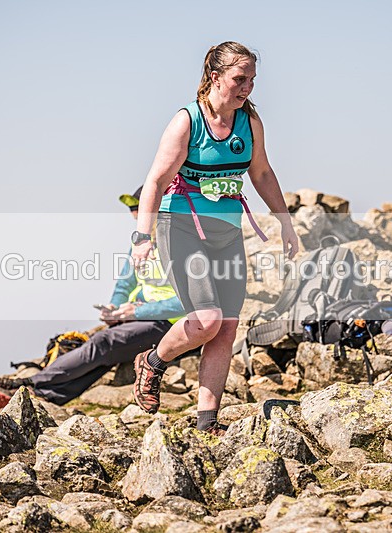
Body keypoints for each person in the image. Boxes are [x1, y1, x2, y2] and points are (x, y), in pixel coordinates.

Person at [129, 41, 299, 434]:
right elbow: (155, 180)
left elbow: (261, 174)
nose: (247, 88)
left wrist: (285, 222)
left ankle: (207, 422)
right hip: (181, 227)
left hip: (226, 233)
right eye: (240, 79)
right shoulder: (187, 122)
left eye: (252, 80)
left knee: (226, 326)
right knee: (206, 319)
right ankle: (153, 362)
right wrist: (142, 235)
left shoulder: (250, 123)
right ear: (214, 76)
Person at [0, 186, 185, 407]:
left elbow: (188, 302)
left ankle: (23, 383)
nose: (136, 221)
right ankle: (45, 397)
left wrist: (137, 311)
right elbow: (125, 284)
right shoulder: (141, 245)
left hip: (172, 324)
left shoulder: (181, 245)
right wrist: (114, 309)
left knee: (104, 342)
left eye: (141, 214)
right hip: (142, 318)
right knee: (102, 352)